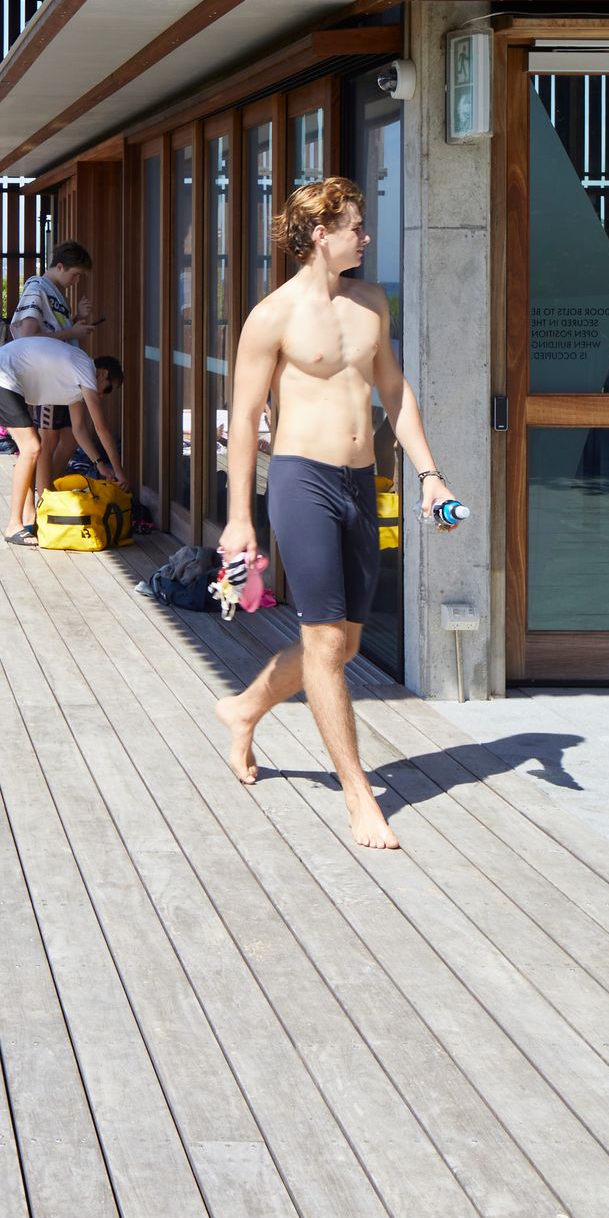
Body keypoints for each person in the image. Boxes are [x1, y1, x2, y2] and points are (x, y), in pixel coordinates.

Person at [214, 176, 454, 853]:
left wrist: (429, 477)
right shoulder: (274, 316)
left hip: (359, 484)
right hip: (301, 482)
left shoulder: (371, 304)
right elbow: (244, 422)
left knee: (343, 642)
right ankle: (358, 793)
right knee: (324, 645)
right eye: (355, 225)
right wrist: (240, 519)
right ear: (322, 234)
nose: (366, 236)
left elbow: (395, 394)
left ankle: (244, 708)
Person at [0, 330, 126, 544]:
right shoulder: (85, 369)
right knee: (32, 448)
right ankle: (13, 526)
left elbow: (79, 430)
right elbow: (101, 428)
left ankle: (28, 519)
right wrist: (119, 472)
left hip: (2, 374)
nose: (102, 395)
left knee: (31, 450)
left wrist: (101, 466)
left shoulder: (77, 378)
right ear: (102, 374)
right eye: (108, 389)